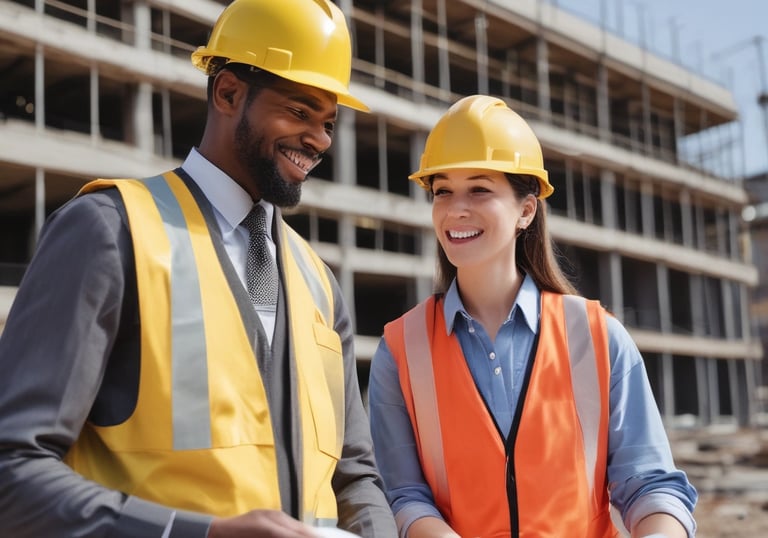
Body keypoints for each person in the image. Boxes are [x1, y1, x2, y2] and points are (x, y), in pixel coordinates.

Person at [0, 0, 398, 536]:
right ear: (229, 92)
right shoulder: (110, 232)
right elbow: (12, 469)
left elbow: (353, 478)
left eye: (328, 123)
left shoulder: (319, 283)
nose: (320, 140)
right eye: (300, 112)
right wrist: (195, 533)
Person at [367, 95, 698, 538]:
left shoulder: (598, 337)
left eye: (479, 189)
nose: (455, 208)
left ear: (526, 210)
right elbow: (403, 495)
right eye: (442, 190)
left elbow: (650, 484)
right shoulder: (401, 349)